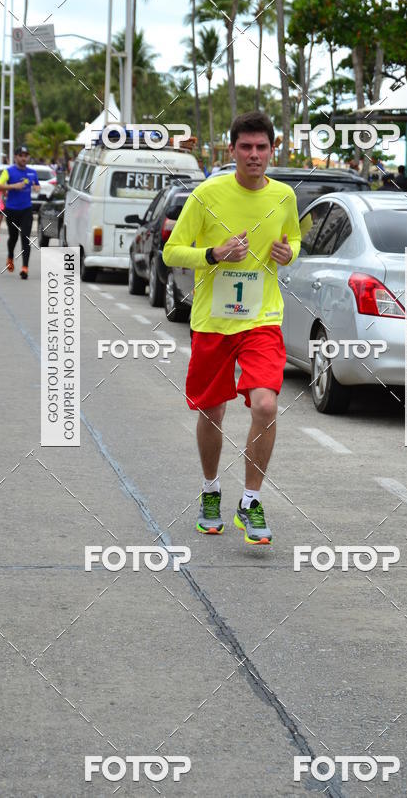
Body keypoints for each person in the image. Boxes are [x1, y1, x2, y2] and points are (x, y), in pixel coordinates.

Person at [163, 111, 301, 546]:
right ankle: (210, 490)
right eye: (246, 147)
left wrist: (288, 253)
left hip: (261, 319)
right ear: (232, 150)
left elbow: (294, 239)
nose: (254, 155)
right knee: (213, 410)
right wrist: (214, 254)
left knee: (265, 406)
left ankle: (250, 500)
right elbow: (171, 252)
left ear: (272, 150)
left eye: (262, 147)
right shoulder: (206, 194)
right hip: (213, 322)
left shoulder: (283, 196)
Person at [0, 146, 40, 279]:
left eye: (26, 155)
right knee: (13, 237)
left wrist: (37, 187)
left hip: (26, 209)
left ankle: (25, 268)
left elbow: (37, 185)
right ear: (15, 157)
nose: (24, 158)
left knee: (25, 239)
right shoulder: (8, 171)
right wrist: (13, 186)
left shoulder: (32, 172)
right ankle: (10, 256)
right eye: (21, 155)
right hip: (12, 210)